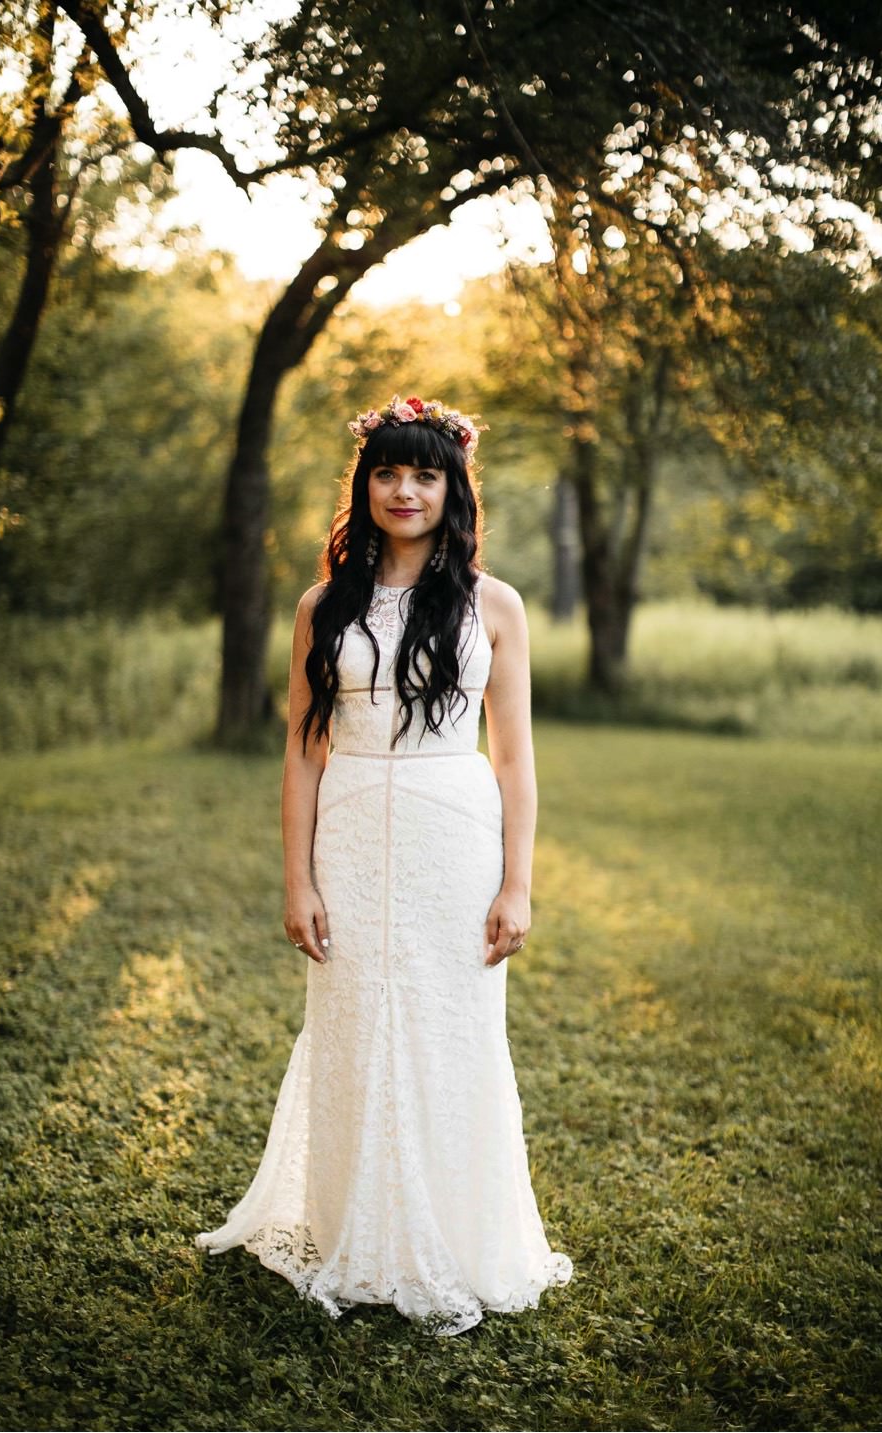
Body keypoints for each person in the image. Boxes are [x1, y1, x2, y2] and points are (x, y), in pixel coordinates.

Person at [194, 395, 572, 1336]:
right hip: (352, 832)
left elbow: (516, 757)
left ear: (453, 489)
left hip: (455, 832)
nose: (405, 490)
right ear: (363, 485)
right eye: (388, 473)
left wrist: (516, 883)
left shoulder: (496, 607)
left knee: (452, 1024)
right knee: (356, 1020)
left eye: (425, 473)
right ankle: (349, 1227)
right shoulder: (322, 606)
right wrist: (299, 878)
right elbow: (301, 750)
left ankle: (452, 1229)